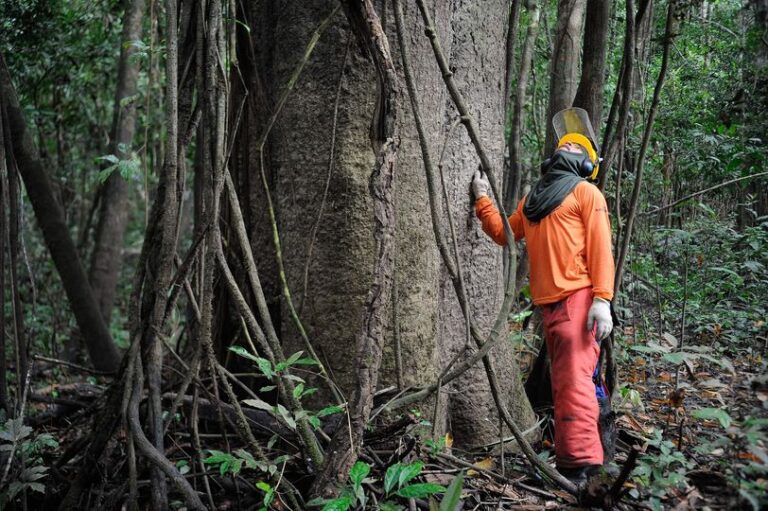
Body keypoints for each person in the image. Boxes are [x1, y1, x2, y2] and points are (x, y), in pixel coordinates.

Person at [471, 129, 615, 485]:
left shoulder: (586, 192)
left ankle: (580, 467)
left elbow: (601, 248)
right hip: (550, 308)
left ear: (586, 163)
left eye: (577, 146)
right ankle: (577, 460)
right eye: (564, 143)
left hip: (579, 302)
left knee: (573, 383)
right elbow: (504, 232)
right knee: (565, 383)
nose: (568, 145)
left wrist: (602, 300)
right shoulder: (533, 200)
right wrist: (481, 199)